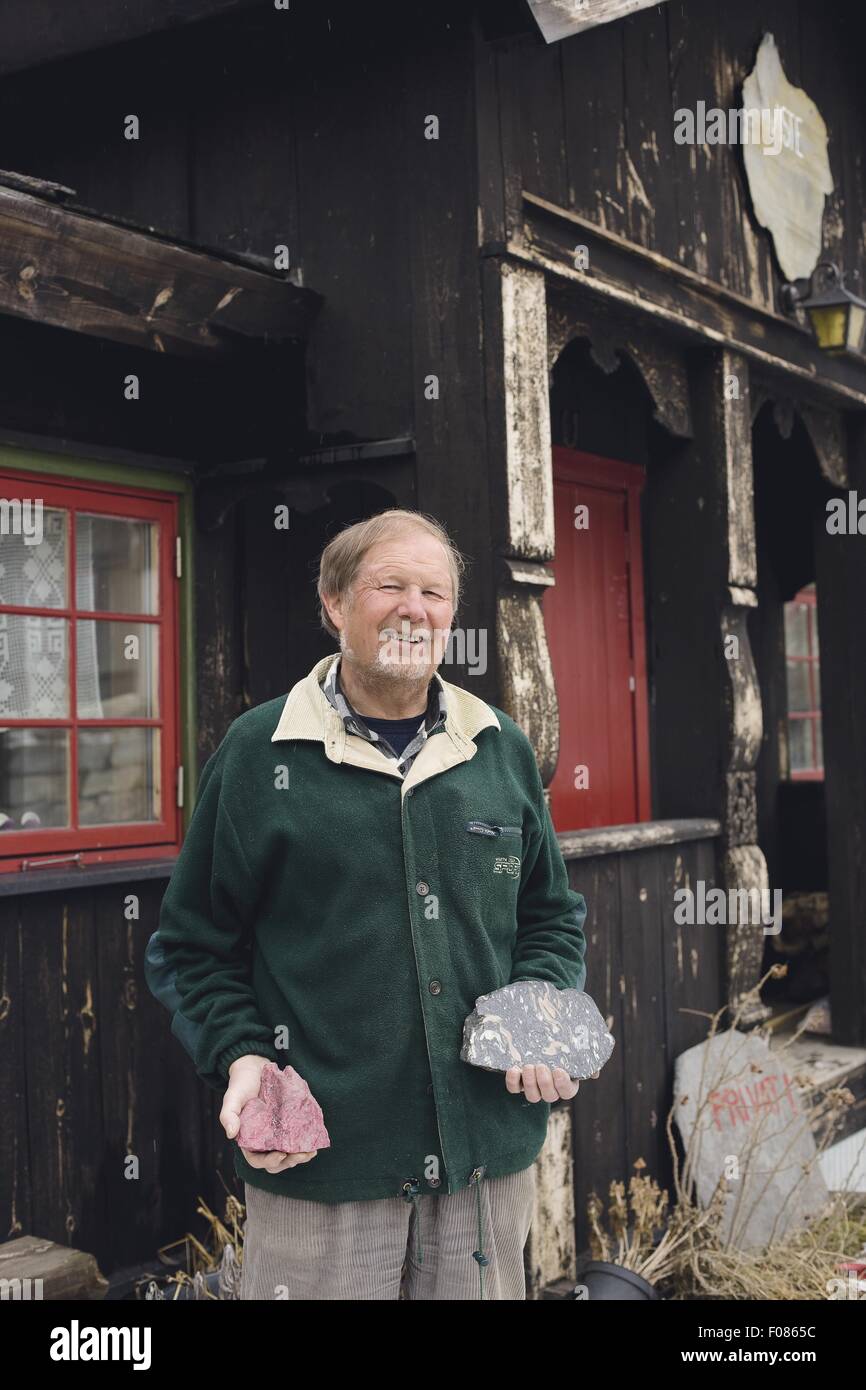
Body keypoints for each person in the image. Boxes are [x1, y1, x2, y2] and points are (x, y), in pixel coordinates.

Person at [145, 508, 588, 1300]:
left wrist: (539, 1002)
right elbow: (189, 947)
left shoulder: (499, 748)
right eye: (390, 585)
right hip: (324, 1170)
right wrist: (245, 1055)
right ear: (334, 603)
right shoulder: (259, 756)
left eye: (435, 592)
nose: (415, 608)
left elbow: (550, 915)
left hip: (484, 1164)